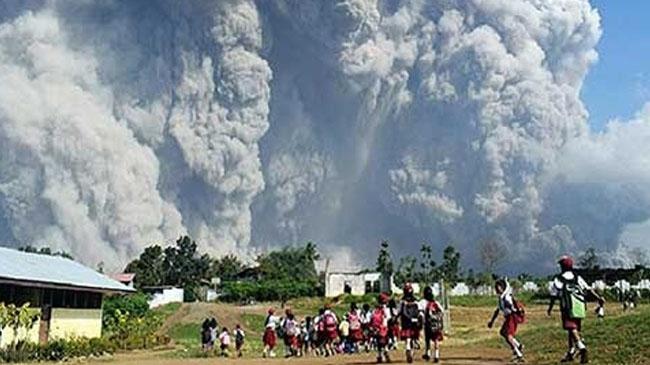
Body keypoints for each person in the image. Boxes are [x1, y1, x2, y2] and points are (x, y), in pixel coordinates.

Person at [547, 256, 605, 364]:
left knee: (571, 328)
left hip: (568, 307)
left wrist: (550, 308)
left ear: (562, 267)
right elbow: (588, 289)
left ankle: (582, 348)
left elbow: (553, 295)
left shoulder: (559, 279)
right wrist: (598, 298)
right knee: (573, 330)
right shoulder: (577, 277)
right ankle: (571, 351)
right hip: (579, 306)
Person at [488, 278, 525, 363]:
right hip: (508, 317)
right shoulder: (501, 298)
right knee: (502, 332)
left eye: (499, 287)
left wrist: (513, 308)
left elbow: (511, 305)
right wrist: (492, 321)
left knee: (508, 336)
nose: (497, 289)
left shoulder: (506, 297)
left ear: (503, 287)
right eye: (496, 287)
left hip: (512, 317)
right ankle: (519, 346)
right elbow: (497, 310)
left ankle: (519, 354)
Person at [400, 283, 423, 364]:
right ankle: (411, 351)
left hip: (405, 322)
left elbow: (399, 312)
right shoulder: (416, 301)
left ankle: (408, 348)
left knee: (407, 338)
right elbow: (420, 311)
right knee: (413, 337)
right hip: (415, 322)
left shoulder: (402, 301)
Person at [421, 286, 444, 363]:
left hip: (428, 324)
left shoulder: (423, 302)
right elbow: (442, 311)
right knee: (436, 340)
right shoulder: (436, 303)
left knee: (427, 340)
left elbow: (421, 312)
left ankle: (428, 353)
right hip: (436, 325)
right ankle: (436, 355)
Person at [370, 292, 391, 363]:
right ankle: (386, 350)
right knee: (385, 341)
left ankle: (379, 355)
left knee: (379, 342)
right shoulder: (386, 309)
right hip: (384, 326)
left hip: (377, 327)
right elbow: (388, 317)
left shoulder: (375, 309)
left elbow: (372, 317)